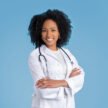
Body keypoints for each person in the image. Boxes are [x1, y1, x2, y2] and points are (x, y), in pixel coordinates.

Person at [28, 9, 85, 108]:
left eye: (53, 30)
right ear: (39, 33)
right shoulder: (35, 55)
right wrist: (70, 84)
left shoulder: (67, 53)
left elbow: (80, 78)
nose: (49, 35)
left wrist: (60, 82)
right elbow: (43, 91)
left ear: (60, 33)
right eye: (44, 30)